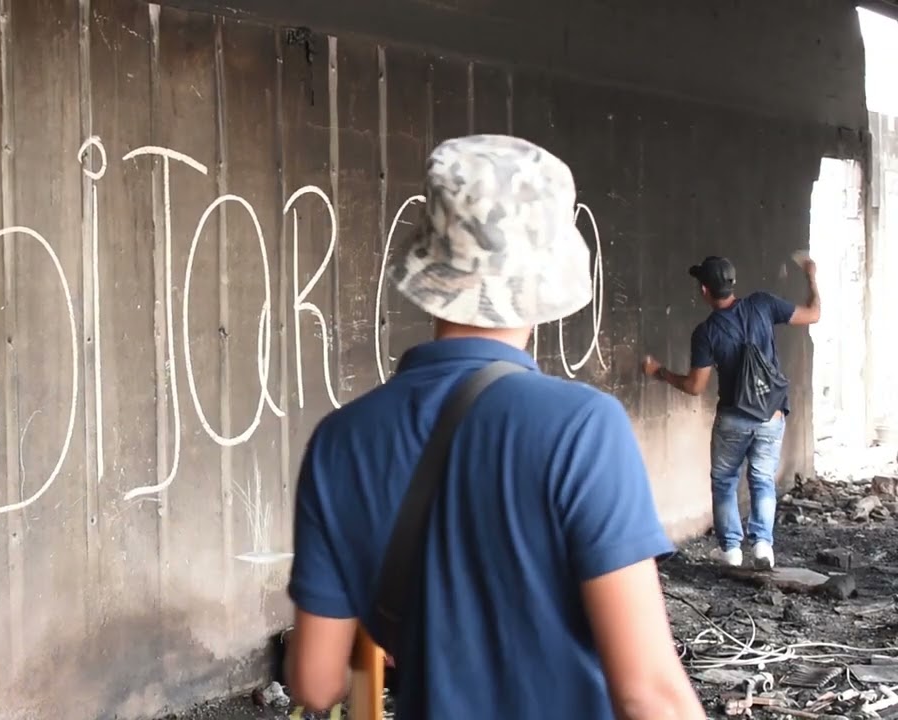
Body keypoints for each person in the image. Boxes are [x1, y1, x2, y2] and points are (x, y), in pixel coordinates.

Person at [283, 135, 704, 720]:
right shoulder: (583, 428)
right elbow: (648, 692)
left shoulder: (339, 441)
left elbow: (315, 681)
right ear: (548, 280)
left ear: (430, 270)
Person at [643, 255, 820, 569]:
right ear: (732, 283)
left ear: (704, 290)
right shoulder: (763, 305)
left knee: (725, 481)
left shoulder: (707, 331)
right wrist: (811, 278)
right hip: (771, 415)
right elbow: (813, 314)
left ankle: (731, 552)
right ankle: (763, 546)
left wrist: (660, 372)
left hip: (733, 418)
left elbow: (695, 386)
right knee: (763, 480)